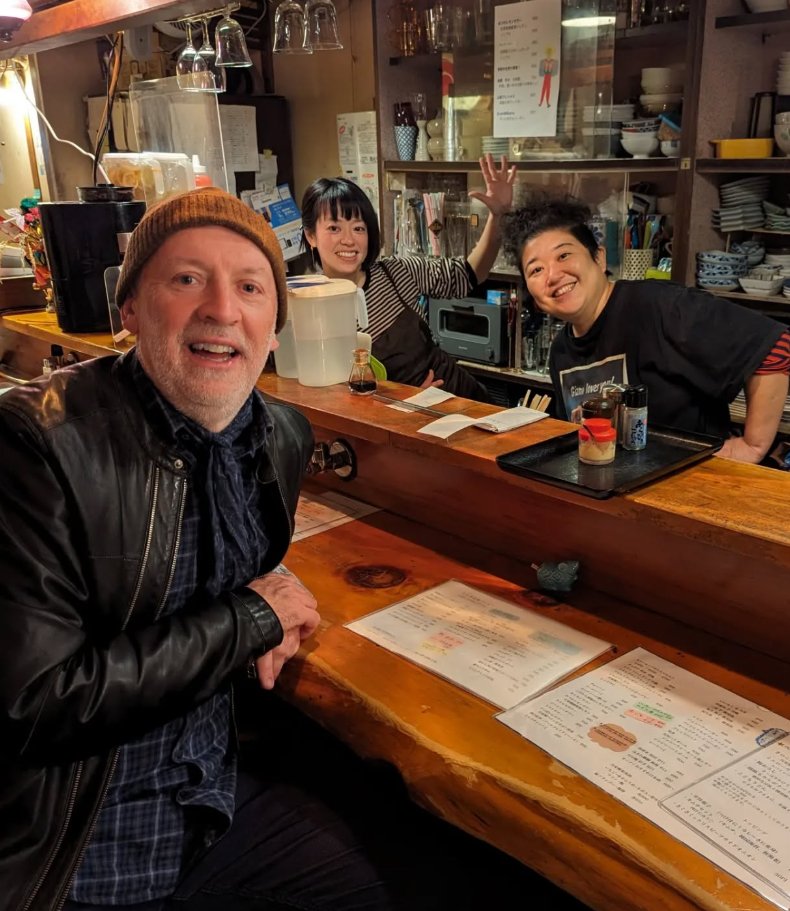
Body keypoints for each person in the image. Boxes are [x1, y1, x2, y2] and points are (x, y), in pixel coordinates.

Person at [0, 187, 473, 911]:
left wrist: (269, 587)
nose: (223, 308)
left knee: (411, 870)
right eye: (186, 279)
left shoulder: (277, 435)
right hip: (79, 840)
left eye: (251, 286)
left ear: (274, 325)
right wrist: (252, 619)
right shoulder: (38, 444)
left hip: (212, 794)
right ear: (130, 311)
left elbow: (228, 560)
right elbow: (36, 702)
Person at [502, 198, 790, 464]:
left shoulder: (660, 306)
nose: (552, 275)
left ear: (599, 259)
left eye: (563, 255)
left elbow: (776, 343)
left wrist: (753, 446)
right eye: (536, 270)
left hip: (691, 488)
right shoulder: (561, 353)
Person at [300, 154, 516, 401]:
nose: (349, 239)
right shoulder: (309, 306)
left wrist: (498, 216)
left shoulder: (396, 272)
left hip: (461, 398)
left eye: (359, 228)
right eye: (334, 228)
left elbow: (469, 274)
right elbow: (329, 397)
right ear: (311, 236)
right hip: (399, 426)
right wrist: (402, 401)